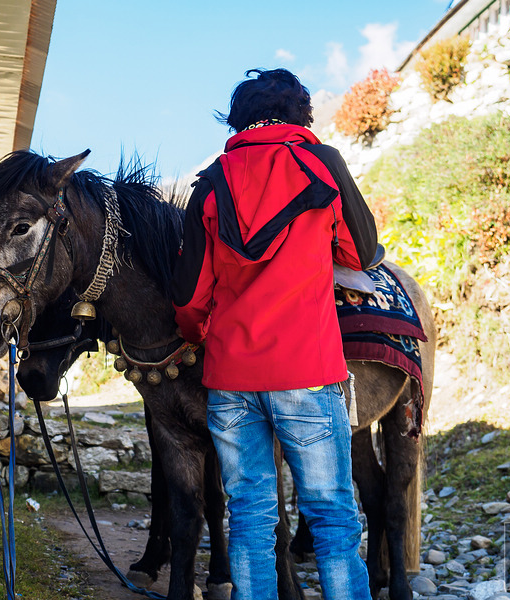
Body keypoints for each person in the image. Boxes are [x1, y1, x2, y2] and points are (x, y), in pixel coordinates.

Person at [170, 68, 377, 600]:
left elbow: (190, 298)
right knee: (332, 517)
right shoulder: (322, 165)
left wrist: (198, 333)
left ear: (237, 119)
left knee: (250, 519)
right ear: (300, 113)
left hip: (233, 383)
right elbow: (360, 252)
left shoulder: (212, 183)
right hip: (307, 374)